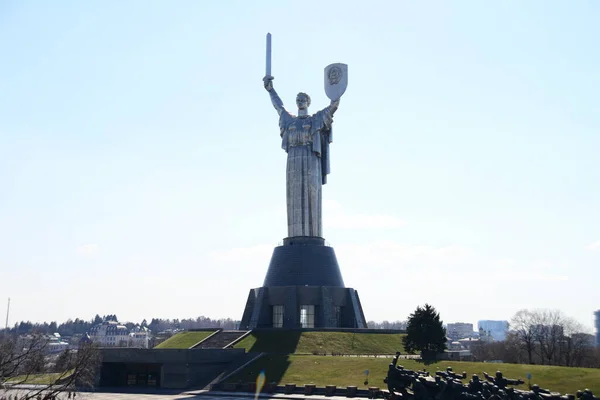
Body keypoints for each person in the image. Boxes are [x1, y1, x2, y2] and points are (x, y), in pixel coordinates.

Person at [264, 75, 340, 238]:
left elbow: (332, 108)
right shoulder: (290, 121)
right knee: (294, 196)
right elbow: (279, 107)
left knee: (311, 192)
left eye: (303, 99)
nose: (299, 101)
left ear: (308, 102)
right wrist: (271, 90)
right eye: (298, 99)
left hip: (310, 157)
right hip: (293, 159)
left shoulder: (316, 119)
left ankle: (312, 234)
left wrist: (336, 92)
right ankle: (295, 235)